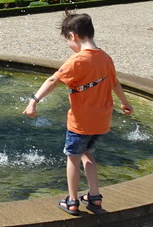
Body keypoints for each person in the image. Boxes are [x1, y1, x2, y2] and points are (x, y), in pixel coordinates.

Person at [24, 13, 133, 215]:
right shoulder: (105, 57)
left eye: (67, 40)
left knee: (73, 158)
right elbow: (115, 83)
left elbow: (52, 81)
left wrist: (33, 101)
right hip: (101, 121)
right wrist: (125, 103)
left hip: (80, 121)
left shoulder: (78, 60)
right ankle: (94, 197)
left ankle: (72, 201)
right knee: (87, 154)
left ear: (73, 36)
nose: (68, 44)